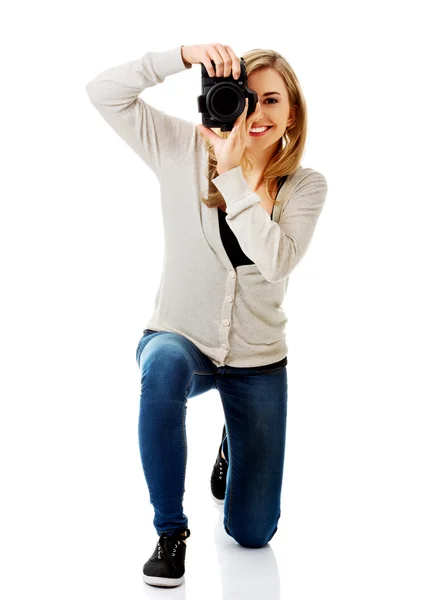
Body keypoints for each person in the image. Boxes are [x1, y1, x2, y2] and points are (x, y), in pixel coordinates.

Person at [86, 42, 328, 588]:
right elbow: (103, 92)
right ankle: (170, 533)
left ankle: (231, 439)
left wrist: (232, 172)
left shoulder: (306, 186)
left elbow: (276, 260)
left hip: (258, 361)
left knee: (252, 532)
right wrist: (181, 56)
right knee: (164, 366)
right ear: (224, 100)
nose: (256, 114)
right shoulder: (180, 147)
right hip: (180, 337)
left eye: (271, 100)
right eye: (245, 98)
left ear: (293, 111)